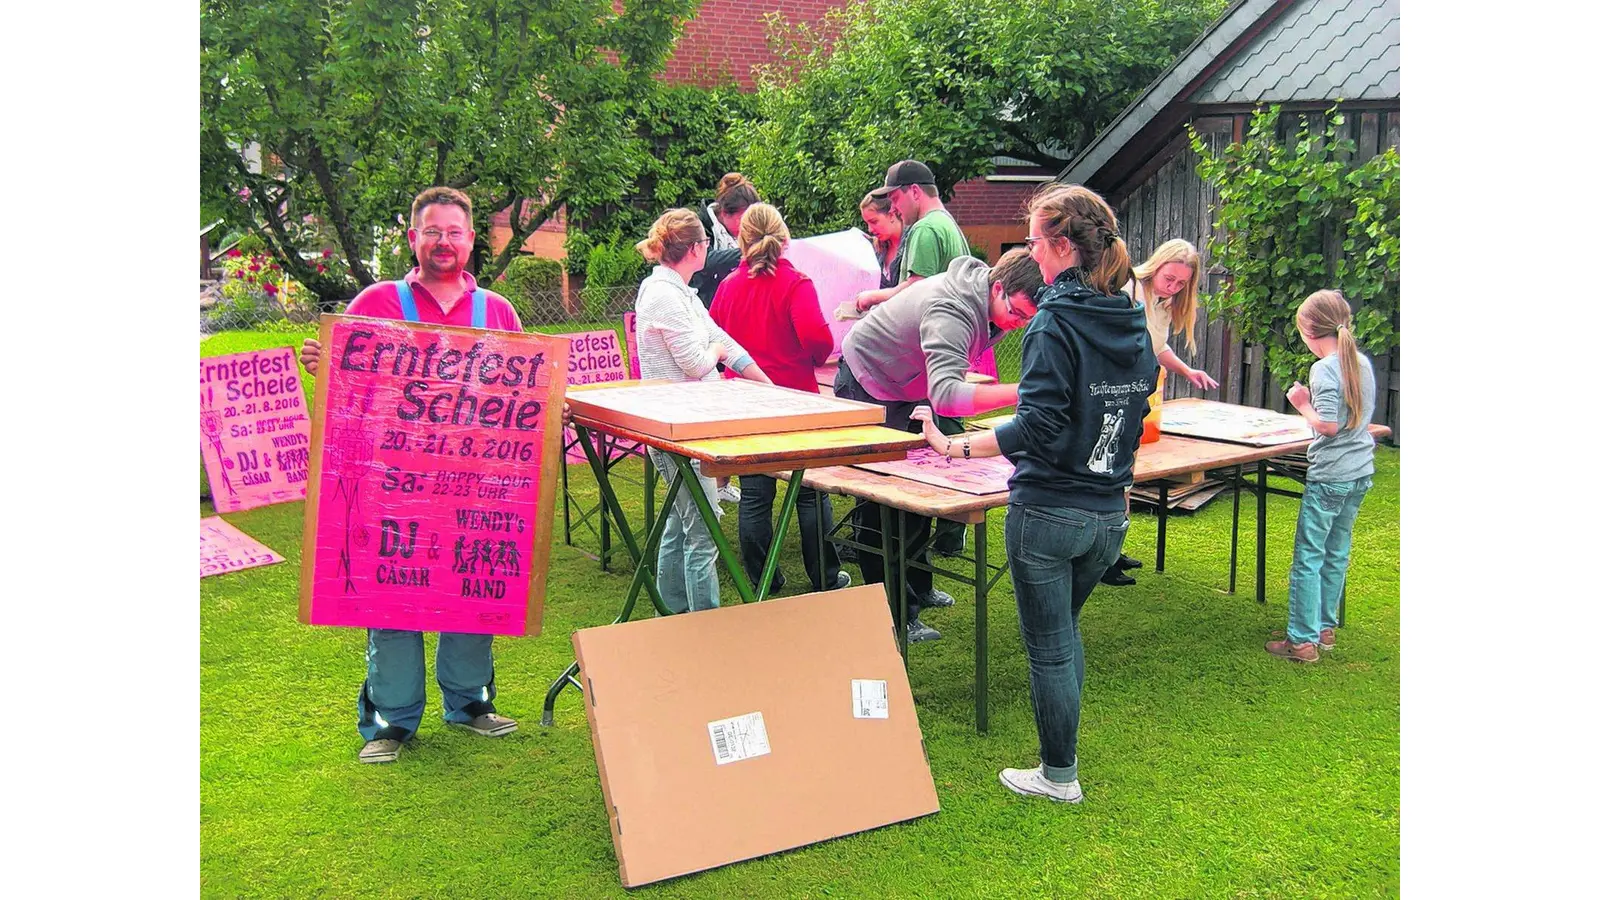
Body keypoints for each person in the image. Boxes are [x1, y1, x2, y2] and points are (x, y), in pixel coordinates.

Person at [911, 182, 1157, 803]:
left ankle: (1058, 776)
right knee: (1064, 635)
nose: (1026, 248)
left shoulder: (1055, 321)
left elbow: (1040, 421)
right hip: (1109, 511)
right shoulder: (1128, 315)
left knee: (1050, 648)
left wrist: (954, 447)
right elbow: (1134, 401)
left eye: (1032, 238)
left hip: (1048, 510)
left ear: (1057, 245)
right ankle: (1060, 766)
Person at [298, 186, 526, 765]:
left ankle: (470, 701)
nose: (443, 242)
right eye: (432, 231)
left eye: (454, 232)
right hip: (389, 485)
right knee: (391, 597)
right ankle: (390, 720)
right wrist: (330, 364)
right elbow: (348, 389)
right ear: (413, 239)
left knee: (469, 590)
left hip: (473, 483)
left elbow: (520, 397)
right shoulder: (375, 302)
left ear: (472, 240)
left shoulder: (497, 312)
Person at [834, 248, 1044, 643]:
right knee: (882, 504)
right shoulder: (953, 312)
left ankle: (918, 586)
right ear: (997, 288)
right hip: (869, 382)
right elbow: (946, 395)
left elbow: (942, 388)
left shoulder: (988, 298)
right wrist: (1023, 391)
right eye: (1017, 314)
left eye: (1028, 319)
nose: (1018, 325)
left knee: (924, 488)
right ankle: (893, 615)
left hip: (910, 386)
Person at [633, 209, 772, 615]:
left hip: (691, 423)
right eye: (707, 244)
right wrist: (718, 354)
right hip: (677, 428)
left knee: (681, 524)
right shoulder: (662, 294)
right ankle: (704, 625)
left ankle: (672, 614)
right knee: (704, 532)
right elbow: (698, 361)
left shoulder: (681, 293)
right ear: (696, 248)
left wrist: (764, 385)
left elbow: (721, 337)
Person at [709, 203, 850, 595]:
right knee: (809, 491)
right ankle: (823, 576)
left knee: (755, 492)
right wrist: (809, 360)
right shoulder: (796, 283)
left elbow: (716, 337)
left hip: (745, 399)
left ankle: (762, 578)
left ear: (741, 240)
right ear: (785, 239)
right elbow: (819, 340)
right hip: (794, 399)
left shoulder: (728, 287)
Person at [849, 160, 980, 557]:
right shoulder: (949, 225)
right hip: (931, 360)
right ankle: (942, 540)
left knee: (890, 472)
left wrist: (871, 298)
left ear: (913, 192)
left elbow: (914, 290)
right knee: (936, 446)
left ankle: (884, 551)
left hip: (908, 365)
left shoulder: (924, 229)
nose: (895, 210)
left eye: (895, 199)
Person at [1265, 289, 1376, 663]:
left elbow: (1328, 426)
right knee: (1336, 552)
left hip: (1331, 475)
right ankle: (1324, 629)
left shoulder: (1324, 369)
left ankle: (1302, 641)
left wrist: (1302, 405)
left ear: (1309, 329)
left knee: (1309, 556)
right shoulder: (1359, 362)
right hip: (1360, 471)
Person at [1102, 239, 1220, 585]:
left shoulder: (1164, 302)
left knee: (1126, 474)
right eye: (1170, 279)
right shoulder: (1129, 289)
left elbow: (1158, 346)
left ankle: (1114, 551)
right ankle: (1102, 559)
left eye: (1182, 283)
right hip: (1115, 390)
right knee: (1111, 474)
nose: (1174, 287)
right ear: (1157, 266)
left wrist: (1187, 370)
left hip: (1140, 390)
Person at [689, 173, 761, 506]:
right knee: (712, 405)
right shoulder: (700, 224)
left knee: (728, 402)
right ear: (730, 213)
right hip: (706, 318)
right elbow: (702, 265)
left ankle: (721, 482)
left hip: (723, 318)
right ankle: (711, 481)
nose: (743, 229)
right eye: (742, 221)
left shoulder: (725, 229)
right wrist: (743, 255)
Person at [859, 191, 905, 291]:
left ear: (892, 215)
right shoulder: (874, 249)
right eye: (867, 223)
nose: (870, 229)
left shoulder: (913, 243)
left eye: (874, 222)